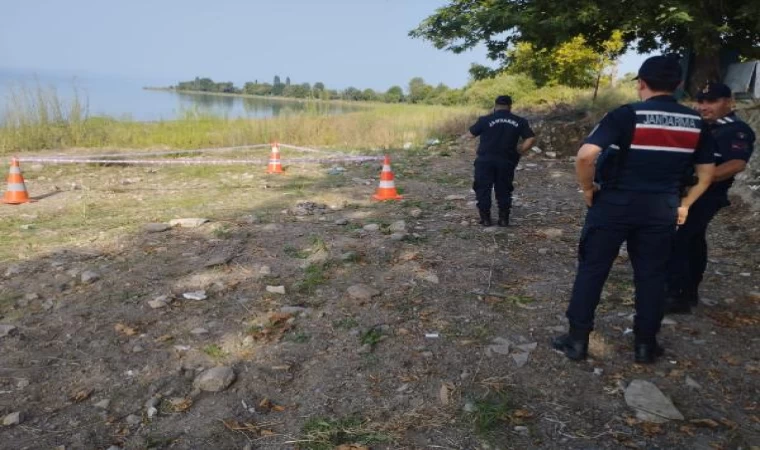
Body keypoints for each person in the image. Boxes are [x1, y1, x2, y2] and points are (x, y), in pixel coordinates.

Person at [551, 55, 716, 364]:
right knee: (652, 275)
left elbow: (586, 156)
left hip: (614, 204)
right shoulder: (697, 123)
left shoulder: (626, 115)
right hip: (661, 209)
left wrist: (588, 189)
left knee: (593, 270)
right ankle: (644, 345)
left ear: (641, 83)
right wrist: (685, 205)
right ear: (678, 85)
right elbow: (706, 175)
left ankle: (576, 340)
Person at [665, 82, 756, 314]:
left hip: (707, 196)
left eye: (712, 102)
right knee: (693, 240)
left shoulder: (736, 129)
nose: (704, 106)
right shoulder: (700, 125)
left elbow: (736, 163)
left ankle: (676, 295)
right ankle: (688, 291)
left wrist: (703, 178)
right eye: (701, 101)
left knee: (680, 238)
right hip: (686, 191)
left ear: (728, 102)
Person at [469, 95, 536, 227]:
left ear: (495, 106)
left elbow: (470, 134)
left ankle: (486, 219)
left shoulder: (485, 119)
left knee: (483, 188)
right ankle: (504, 219)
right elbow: (531, 138)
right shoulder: (519, 121)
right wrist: (520, 150)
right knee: (504, 189)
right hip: (506, 160)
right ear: (510, 107)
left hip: (485, 160)